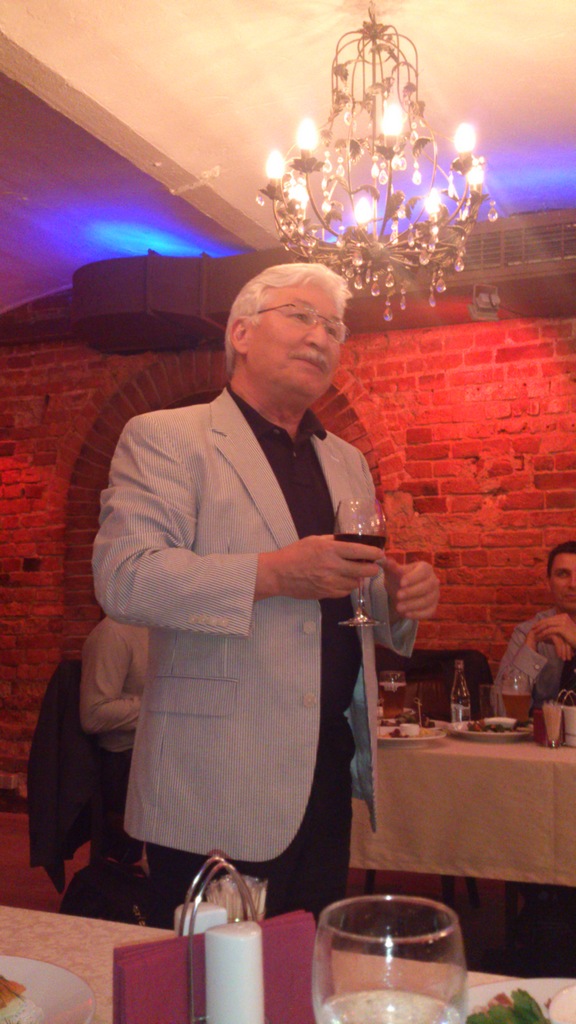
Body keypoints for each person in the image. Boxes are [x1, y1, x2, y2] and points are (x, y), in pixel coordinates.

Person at [92, 262, 440, 926]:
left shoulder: (346, 461)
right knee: (212, 977)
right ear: (242, 333)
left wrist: (394, 597)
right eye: (301, 316)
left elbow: (341, 593)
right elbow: (125, 577)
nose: (321, 336)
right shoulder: (168, 437)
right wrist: (272, 574)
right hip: (216, 778)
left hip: (326, 768)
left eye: (334, 327)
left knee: (305, 963)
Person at [80, 615, 148, 861]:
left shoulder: (163, 629)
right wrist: (158, 708)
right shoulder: (114, 633)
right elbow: (93, 714)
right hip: (125, 763)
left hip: (156, 756)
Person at [494, 541, 576, 707]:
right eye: (562, 574)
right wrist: (531, 643)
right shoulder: (528, 631)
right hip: (541, 724)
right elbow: (501, 709)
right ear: (548, 582)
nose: (573, 584)